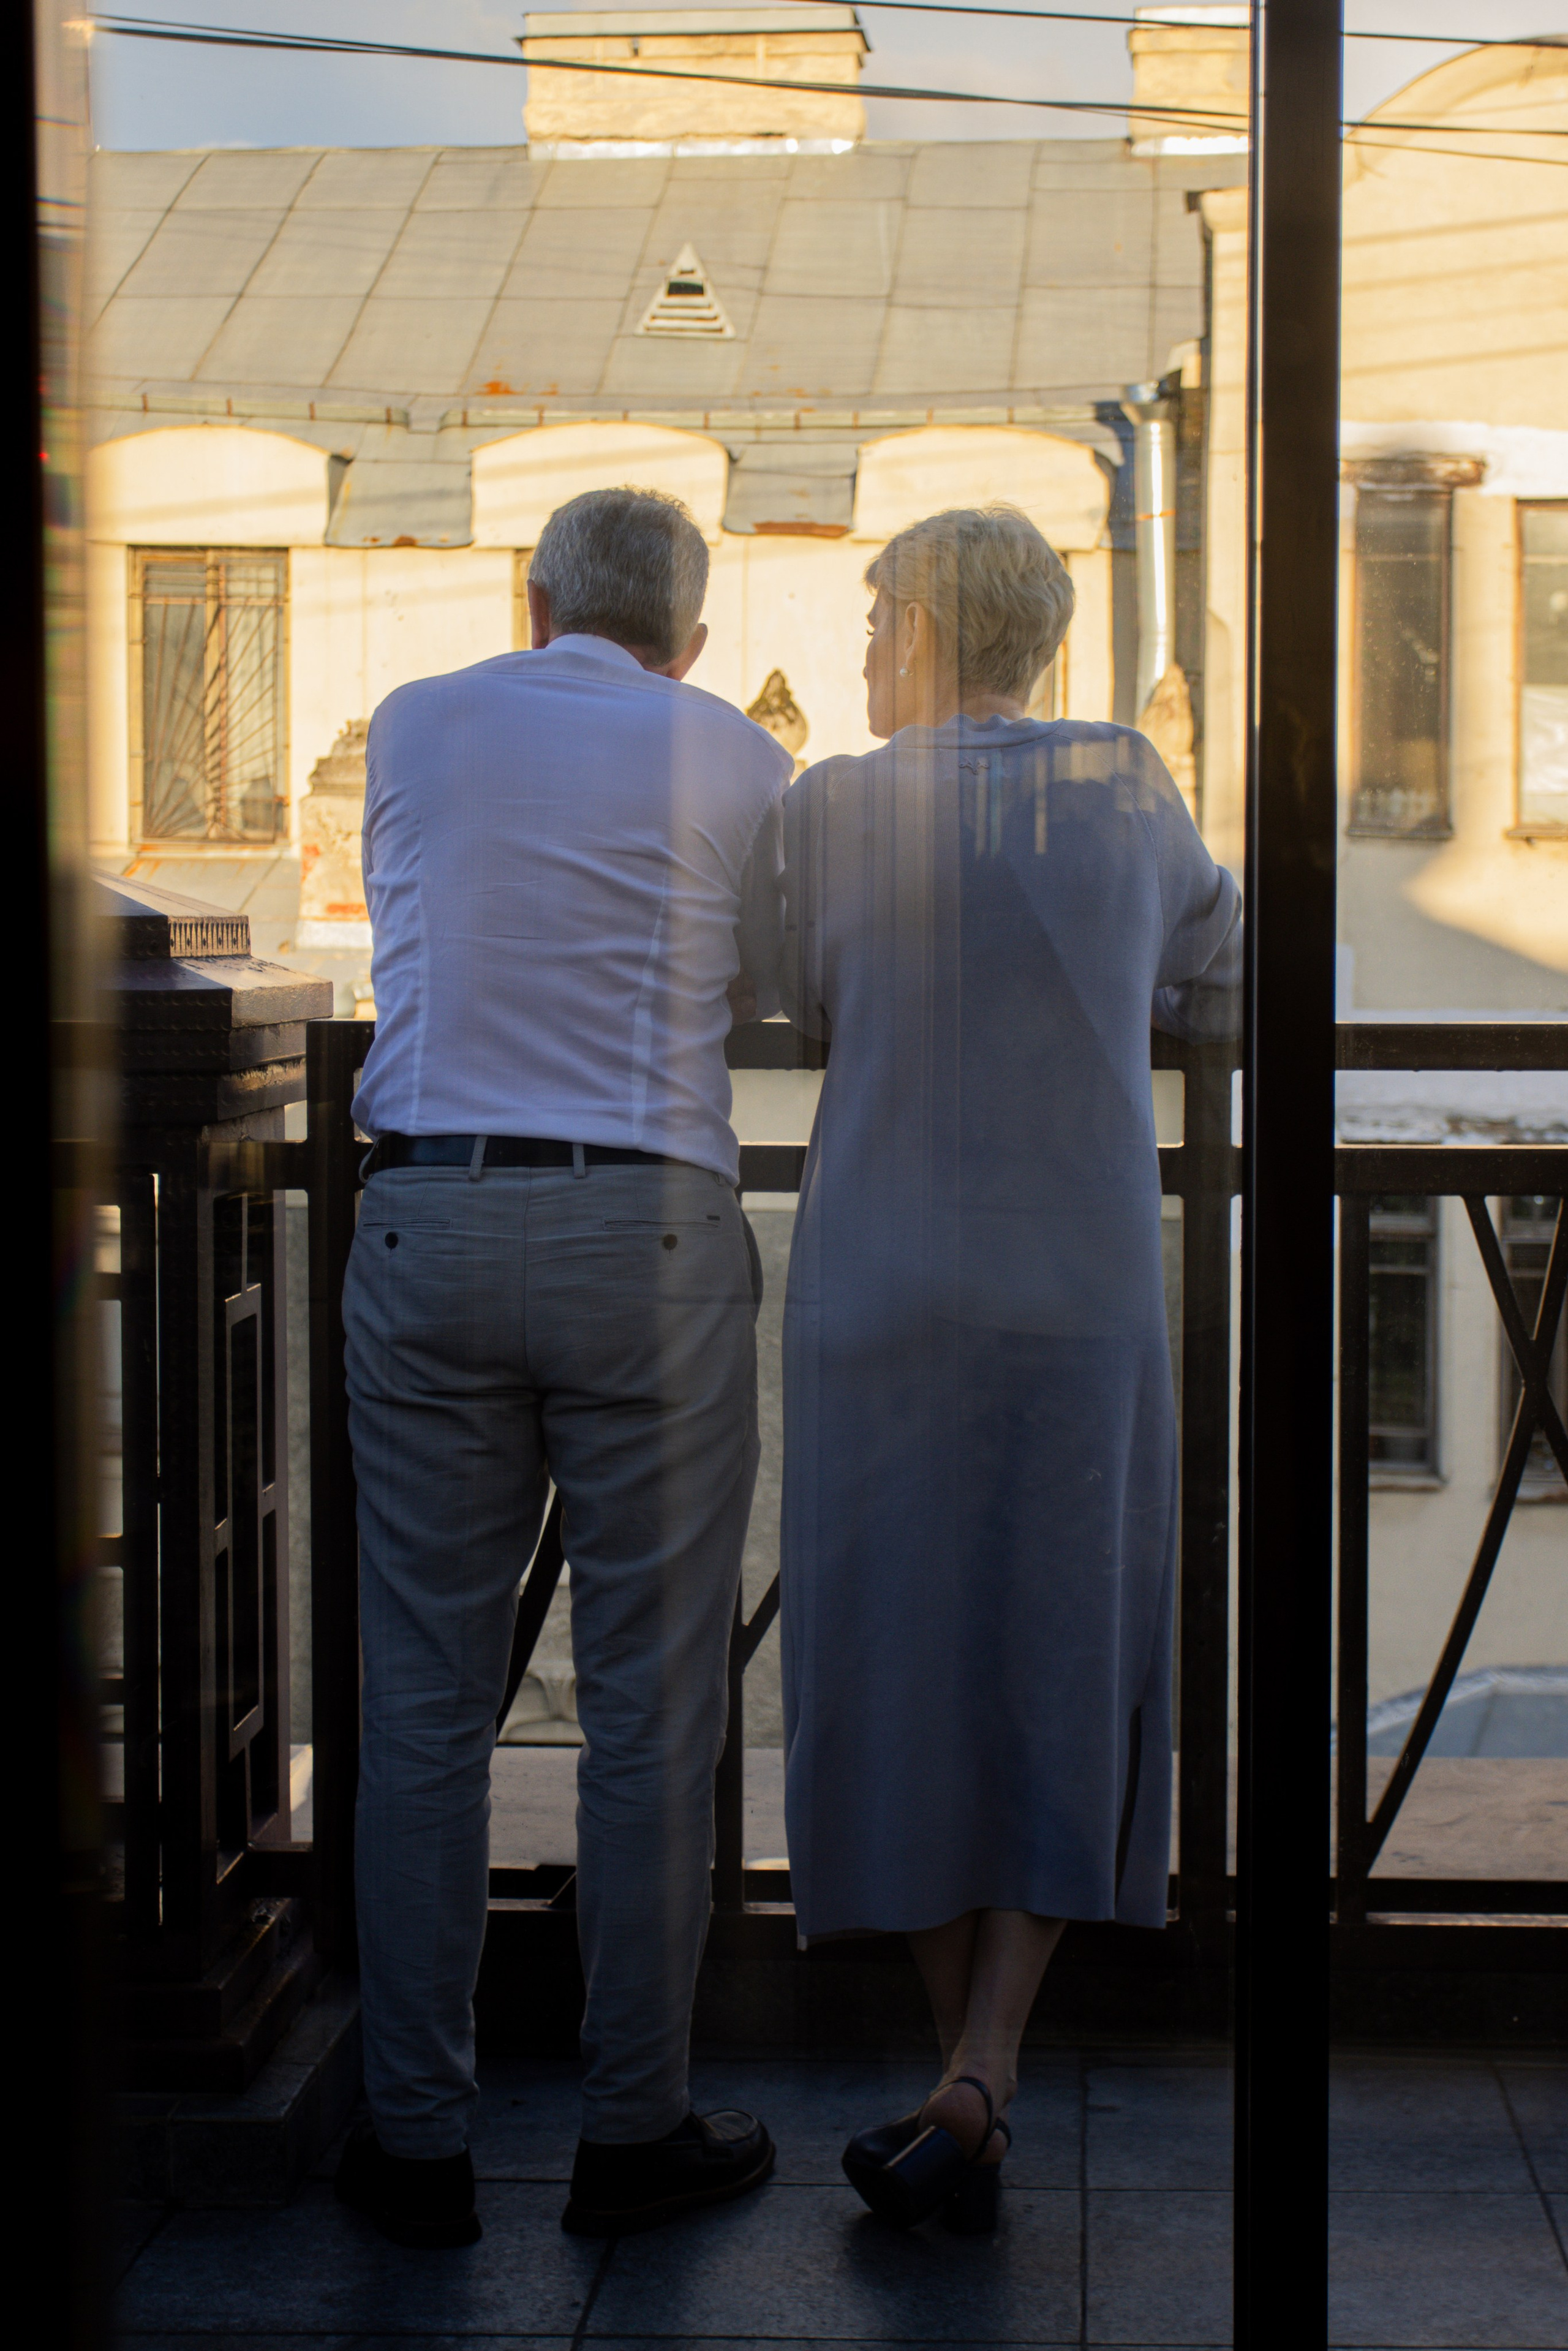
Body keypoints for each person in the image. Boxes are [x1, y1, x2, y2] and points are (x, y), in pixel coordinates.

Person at [777, 504, 1240, 2233]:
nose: (863, 645)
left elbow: (778, 984)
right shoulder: (1123, 787)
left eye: (876, 612)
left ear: (926, 625)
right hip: (1079, 1292)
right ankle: (987, 2058)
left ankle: (953, 2069)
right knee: (1061, 1641)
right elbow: (1225, 957)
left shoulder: (835, 809)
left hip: (883, 1290)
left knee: (887, 1654)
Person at [336, 487, 791, 2248]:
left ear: (531, 605)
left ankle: (417, 2142)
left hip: (432, 1211)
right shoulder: (735, 757)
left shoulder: (420, 721)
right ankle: (633, 2127)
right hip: (648, 1239)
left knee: (427, 1705)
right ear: (687, 630)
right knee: (655, 1706)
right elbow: (767, 988)